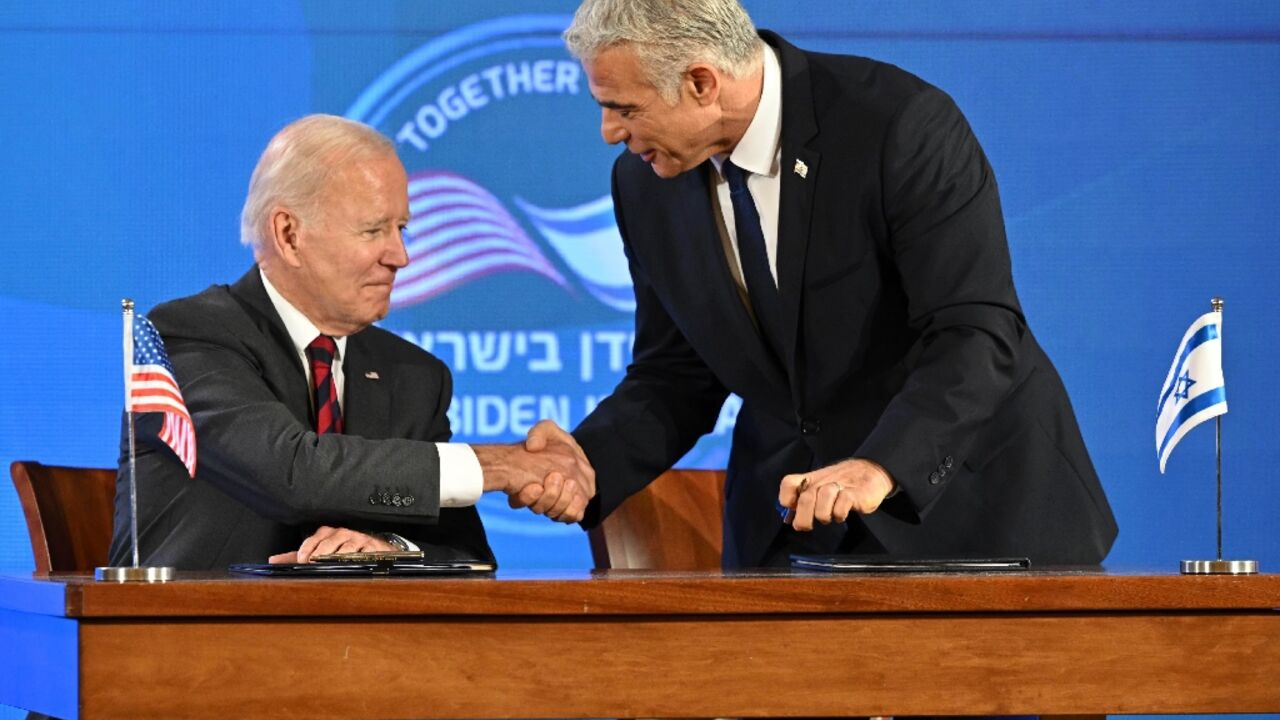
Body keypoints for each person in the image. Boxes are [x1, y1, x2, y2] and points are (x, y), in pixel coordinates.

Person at [552, 0, 1117, 568]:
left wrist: (881, 467)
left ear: (701, 83)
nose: (609, 133)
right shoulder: (646, 182)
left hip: (972, 516)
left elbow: (974, 330)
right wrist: (582, 464)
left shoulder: (897, 124)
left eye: (623, 108)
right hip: (789, 527)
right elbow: (676, 374)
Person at [108, 114, 593, 570]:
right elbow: (293, 472)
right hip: (190, 641)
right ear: (289, 234)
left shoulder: (413, 376)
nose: (400, 256)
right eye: (373, 230)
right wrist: (502, 464)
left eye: (401, 228)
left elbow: (466, 554)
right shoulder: (188, 336)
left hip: (362, 651)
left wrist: (390, 549)